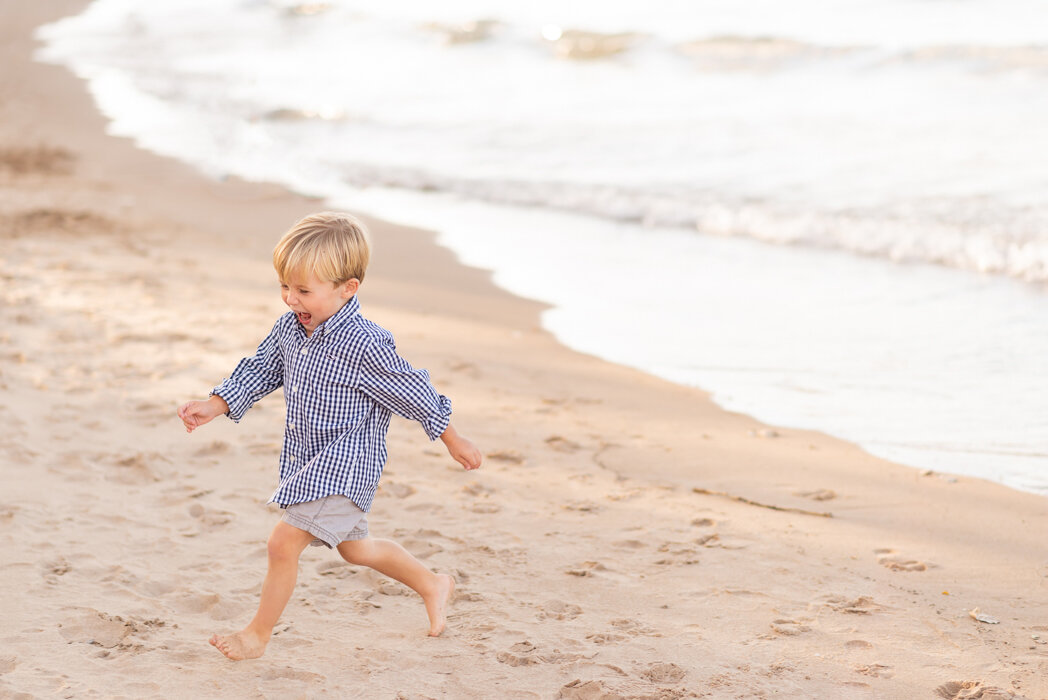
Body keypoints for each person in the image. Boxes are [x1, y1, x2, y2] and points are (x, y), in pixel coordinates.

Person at [177, 212, 482, 661]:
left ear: (348, 288)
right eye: (285, 287)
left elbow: (412, 389)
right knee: (356, 549)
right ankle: (432, 584)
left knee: (282, 544)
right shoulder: (291, 329)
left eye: (303, 290)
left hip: (346, 463)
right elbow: (261, 369)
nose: (290, 298)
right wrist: (216, 404)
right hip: (309, 460)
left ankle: (257, 635)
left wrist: (451, 436)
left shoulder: (365, 343)